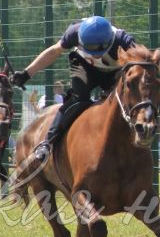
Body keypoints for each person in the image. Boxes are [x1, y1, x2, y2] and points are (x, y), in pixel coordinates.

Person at [11, 15, 135, 163]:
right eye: (90, 48)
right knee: (77, 100)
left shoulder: (124, 40)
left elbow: (144, 62)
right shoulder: (74, 32)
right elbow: (54, 51)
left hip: (114, 72)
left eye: (98, 49)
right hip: (83, 66)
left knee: (121, 105)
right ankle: (47, 143)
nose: (95, 52)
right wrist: (27, 73)